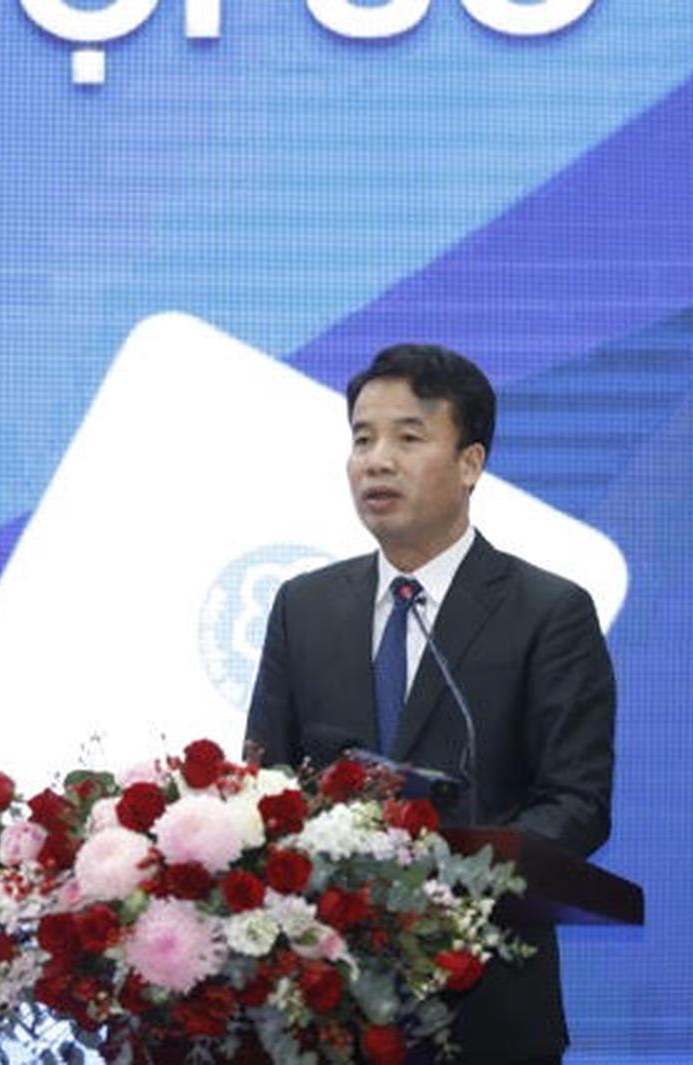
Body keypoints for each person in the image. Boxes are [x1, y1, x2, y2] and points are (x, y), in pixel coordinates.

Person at [245, 343, 616, 1065]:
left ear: (470, 463)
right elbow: (269, 787)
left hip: (486, 1009)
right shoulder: (304, 607)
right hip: (322, 1010)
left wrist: (446, 881)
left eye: (408, 438)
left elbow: (577, 803)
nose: (376, 461)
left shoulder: (549, 612)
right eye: (362, 439)